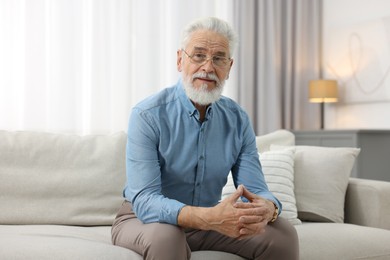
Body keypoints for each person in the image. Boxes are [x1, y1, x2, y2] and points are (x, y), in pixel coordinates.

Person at [111, 16, 299, 260]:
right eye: (198, 55)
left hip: (210, 222)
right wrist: (209, 217)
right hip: (144, 220)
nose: (208, 68)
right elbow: (146, 202)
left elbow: (256, 189)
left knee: (282, 234)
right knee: (167, 237)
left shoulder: (238, 119)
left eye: (218, 58)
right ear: (180, 60)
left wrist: (269, 208)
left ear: (229, 68)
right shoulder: (147, 115)